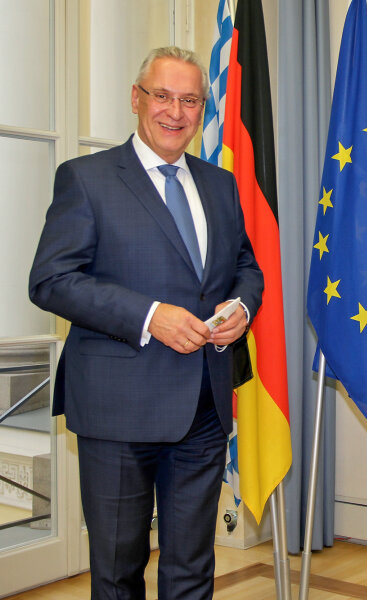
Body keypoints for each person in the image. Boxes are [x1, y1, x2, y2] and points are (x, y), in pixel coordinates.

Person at [29, 46, 263, 599]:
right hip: (117, 409)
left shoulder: (220, 184)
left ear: (203, 109)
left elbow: (246, 266)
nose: (175, 112)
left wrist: (242, 309)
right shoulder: (86, 179)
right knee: (117, 570)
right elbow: (51, 280)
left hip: (203, 407)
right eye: (162, 96)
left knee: (191, 570)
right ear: (137, 99)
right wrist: (150, 315)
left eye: (189, 100)